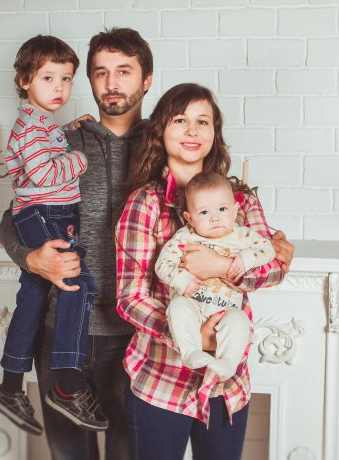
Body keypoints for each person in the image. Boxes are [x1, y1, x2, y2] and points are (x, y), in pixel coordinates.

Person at [0, 28, 153, 460]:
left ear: (147, 79)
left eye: (124, 71)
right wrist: (30, 257)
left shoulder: (165, 145)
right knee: (69, 453)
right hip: (63, 329)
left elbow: (207, 205)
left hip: (135, 333)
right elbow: (14, 217)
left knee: (131, 452)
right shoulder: (62, 140)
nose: (112, 83)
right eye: (101, 72)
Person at [116, 83, 292, 460]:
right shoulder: (144, 203)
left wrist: (224, 267)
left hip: (227, 382)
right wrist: (191, 335)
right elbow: (130, 297)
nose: (192, 131)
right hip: (162, 378)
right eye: (180, 120)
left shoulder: (240, 200)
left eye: (203, 122)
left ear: (215, 133)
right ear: (161, 131)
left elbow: (274, 268)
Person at [0, 34, 108, 435]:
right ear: (24, 80)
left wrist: (68, 132)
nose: (59, 88)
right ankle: (67, 384)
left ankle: (9, 385)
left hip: (46, 213)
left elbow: (45, 149)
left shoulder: (43, 125)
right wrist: (80, 158)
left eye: (66, 79)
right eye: (48, 78)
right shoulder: (29, 127)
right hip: (44, 215)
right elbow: (44, 172)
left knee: (34, 297)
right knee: (78, 286)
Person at [155, 171, 275, 381]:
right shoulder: (185, 237)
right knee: (177, 308)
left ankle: (228, 362)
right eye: (203, 212)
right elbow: (162, 265)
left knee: (240, 321)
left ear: (235, 210)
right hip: (193, 305)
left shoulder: (243, 236)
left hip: (225, 310)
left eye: (222, 209)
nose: (215, 217)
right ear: (189, 218)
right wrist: (183, 281)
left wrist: (245, 259)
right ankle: (191, 351)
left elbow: (268, 250)